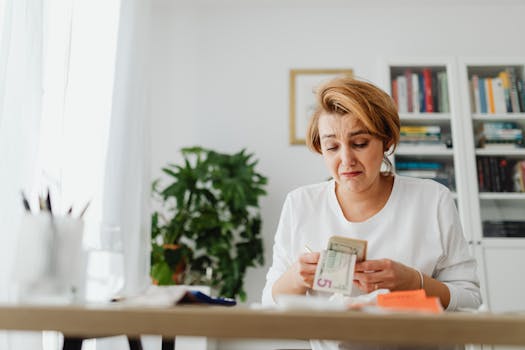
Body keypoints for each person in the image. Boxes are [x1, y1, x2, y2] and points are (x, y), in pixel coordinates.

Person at [261, 76, 481, 350]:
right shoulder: (300, 204)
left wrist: (414, 281)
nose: (346, 160)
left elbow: (470, 298)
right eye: (332, 147)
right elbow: (269, 305)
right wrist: (297, 276)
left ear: (386, 141)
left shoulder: (432, 199)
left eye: (360, 143)